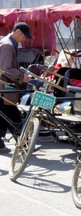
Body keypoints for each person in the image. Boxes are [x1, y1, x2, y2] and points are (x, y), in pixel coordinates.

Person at [0, 22, 32, 153]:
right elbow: (5, 68)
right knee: (13, 114)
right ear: (18, 31)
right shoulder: (8, 45)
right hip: (5, 87)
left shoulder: (9, 43)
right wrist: (22, 76)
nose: (25, 39)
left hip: (5, 87)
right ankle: (23, 143)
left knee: (3, 115)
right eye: (24, 36)